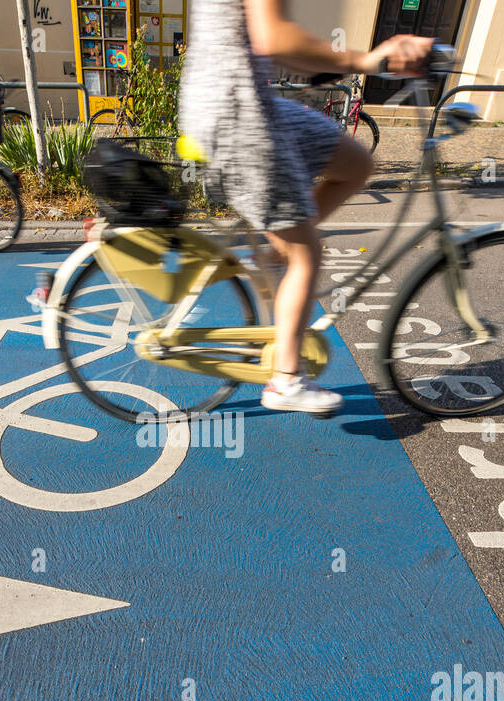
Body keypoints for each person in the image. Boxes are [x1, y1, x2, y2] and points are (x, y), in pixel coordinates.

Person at [180, 0, 432, 414]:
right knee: (308, 253)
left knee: (356, 163)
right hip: (237, 116)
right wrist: (366, 59)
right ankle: (286, 382)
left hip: (248, 104)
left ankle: (277, 245)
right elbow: (274, 37)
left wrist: (324, 65)